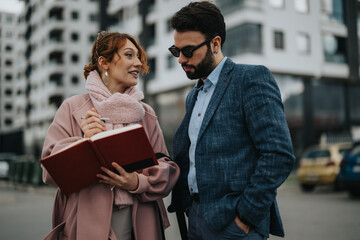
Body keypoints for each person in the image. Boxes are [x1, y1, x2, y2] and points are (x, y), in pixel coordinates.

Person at [168, 1, 296, 240]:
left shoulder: (250, 79)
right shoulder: (193, 95)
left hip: (234, 225)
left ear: (215, 43)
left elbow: (278, 154)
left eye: (187, 51)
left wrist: (244, 218)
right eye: (176, 51)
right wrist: (188, 205)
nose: (180, 60)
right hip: (195, 218)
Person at [41, 31, 180, 240]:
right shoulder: (72, 108)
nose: (138, 64)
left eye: (138, 57)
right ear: (104, 62)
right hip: (85, 223)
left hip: (140, 224)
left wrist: (136, 182)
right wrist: (83, 142)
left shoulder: (146, 113)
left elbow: (168, 169)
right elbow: (49, 171)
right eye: (129, 55)